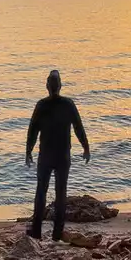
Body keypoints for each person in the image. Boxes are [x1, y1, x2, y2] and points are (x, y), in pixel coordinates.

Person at [25, 69, 90, 240]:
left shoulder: (41, 105)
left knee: (41, 191)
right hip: (63, 155)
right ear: (60, 86)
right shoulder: (68, 104)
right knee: (61, 193)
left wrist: (28, 151)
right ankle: (57, 233)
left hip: (46, 155)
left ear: (47, 86)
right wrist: (86, 147)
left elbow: (32, 131)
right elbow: (78, 127)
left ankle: (37, 231)